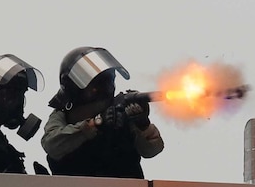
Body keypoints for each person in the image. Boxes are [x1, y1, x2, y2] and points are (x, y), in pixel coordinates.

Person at [41, 46, 164, 178]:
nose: (105, 88)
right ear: (74, 86)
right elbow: (51, 144)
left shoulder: (121, 111)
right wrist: (96, 123)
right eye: (96, 82)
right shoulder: (62, 114)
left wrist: (143, 125)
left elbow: (152, 150)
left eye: (108, 80)